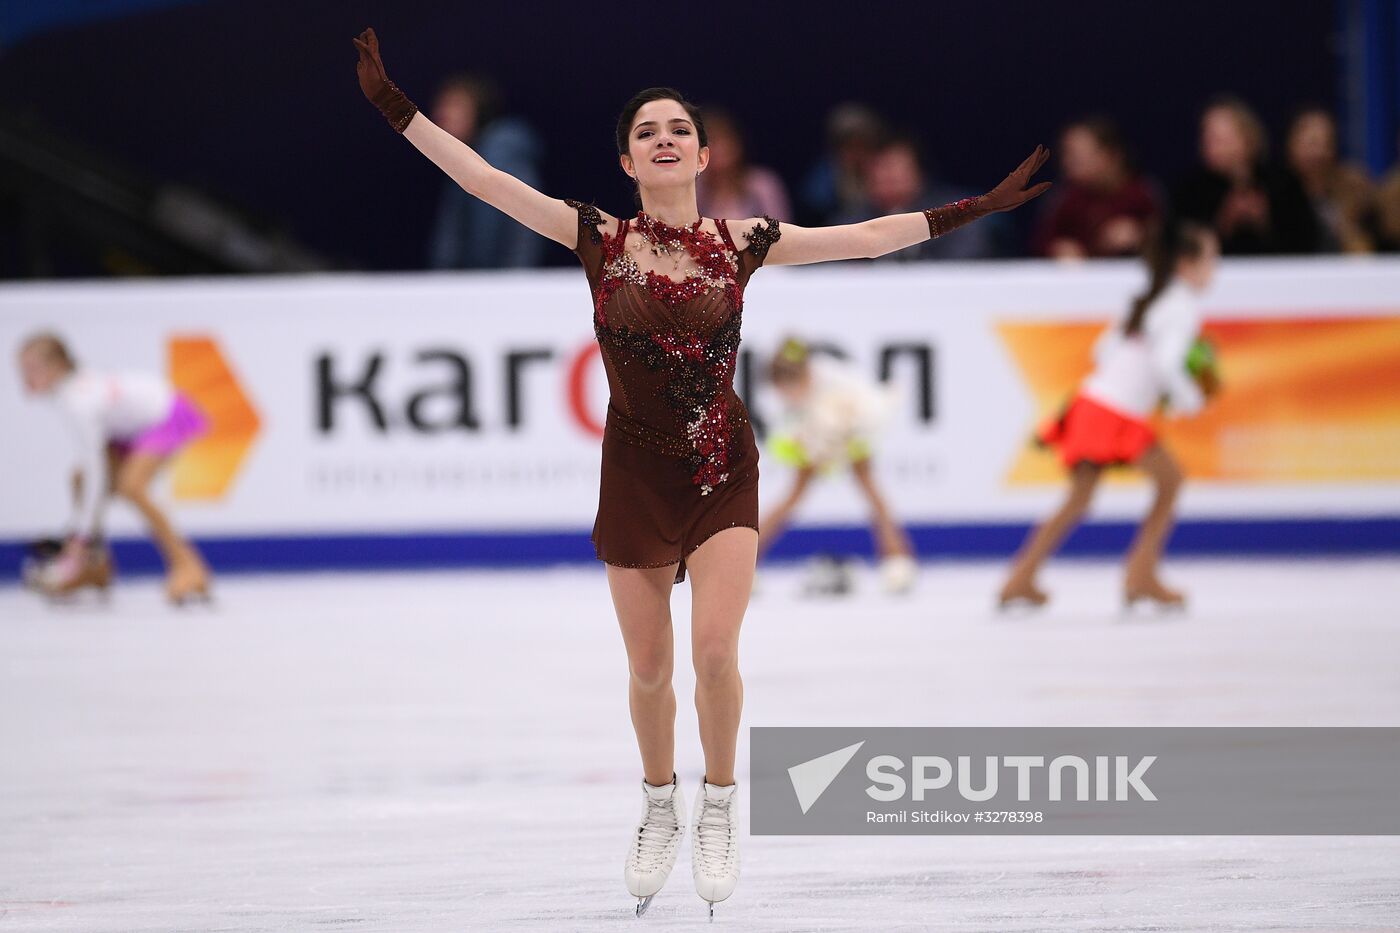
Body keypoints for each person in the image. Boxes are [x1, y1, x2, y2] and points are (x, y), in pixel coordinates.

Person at [352, 26, 1049, 917]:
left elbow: (866, 236)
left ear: (705, 153)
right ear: (628, 159)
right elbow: (485, 182)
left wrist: (971, 209)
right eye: (648, 131)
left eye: (679, 127)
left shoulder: (745, 239)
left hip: (724, 466)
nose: (666, 138)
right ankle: (657, 802)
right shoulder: (596, 236)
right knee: (650, 670)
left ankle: (719, 802)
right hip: (635, 474)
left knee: (716, 650)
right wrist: (399, 111)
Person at [998, 223, 1221, 611]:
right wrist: (1189, 399)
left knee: (1081, 497)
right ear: (1186, 265)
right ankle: (1141, 574)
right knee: (1170, 481)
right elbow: (1167, 363)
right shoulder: (1181, 305)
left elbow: (1104, 351)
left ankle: (1021, 578)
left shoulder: (1151, 298)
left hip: (1092, 402)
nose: (1214, 271)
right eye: (1210, 261)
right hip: (1114, 411)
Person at [16, 333, 212, 604]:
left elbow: (97, 469)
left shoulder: (78, 401)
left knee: (131, 487)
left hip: (162, 415)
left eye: (32, 369)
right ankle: (94, 565)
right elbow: (92, 470)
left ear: (58, 365)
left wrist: (80, 534)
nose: (24, 378)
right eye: (23, 369)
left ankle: (189, 566)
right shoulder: (71, 391)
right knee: (80, 480)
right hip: (131, 428)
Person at [758, 338, 916, 593]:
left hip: (856, 433)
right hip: (814, 438)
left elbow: (873, 410)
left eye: (791, 387)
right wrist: (814, 444)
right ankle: (747, 561)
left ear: (806, 374)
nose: (787, 394)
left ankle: (898, 560)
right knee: (794, 495)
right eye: (782, 389)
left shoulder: (838, 380)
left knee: (870, 488)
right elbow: (789, 428)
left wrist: (840, 437)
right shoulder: (791, 395)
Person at [425, 74, 547, 269]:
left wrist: (512, 282)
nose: (443, 114)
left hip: (500, 286)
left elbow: (525, 227)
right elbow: (451, 238)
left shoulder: (503, 156)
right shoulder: (461, 160)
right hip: (477, 284)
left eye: (456, 106)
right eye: (442, 106)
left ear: (478, 110)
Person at [1173, 97, 1319, 255]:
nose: (1209, 144)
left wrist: (1266, 221)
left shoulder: (1283, 183)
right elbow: (1177, 246)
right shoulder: (1191, 190)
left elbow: (1307, 242)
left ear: (1247, 139)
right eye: (1206, 136)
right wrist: (1223, 222)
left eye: (1218, 139)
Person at [834, 135, 1003, 260]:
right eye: (881, 170)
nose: (888, 176)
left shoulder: (954, 213)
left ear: (919, 172)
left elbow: (970, 256)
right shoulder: (852, 219)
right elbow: (834, 268)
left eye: (895, 169)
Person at [1032, 117, 1160, 259]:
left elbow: (1171, 245)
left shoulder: (1143, 195)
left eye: (1077, 156)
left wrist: (1141, 237)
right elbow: (1040, 246)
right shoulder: (1064, 198)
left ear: (1112, 155)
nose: (1067, 163)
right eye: (1065, 155)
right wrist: (1057, 248)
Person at [1285, 107, 1376, 254]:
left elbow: (1365, 252)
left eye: (1326, 143)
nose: (1319, 152)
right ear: (1291, 144)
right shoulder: (1276, 191)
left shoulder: (1352, 187)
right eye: (1312, 143)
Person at [695, 108, 792, 222]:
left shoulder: (763, 184)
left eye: (723, 140)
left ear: (737, 144)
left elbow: (781, 232)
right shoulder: (695, 189)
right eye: (710, 143)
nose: (719, 149)